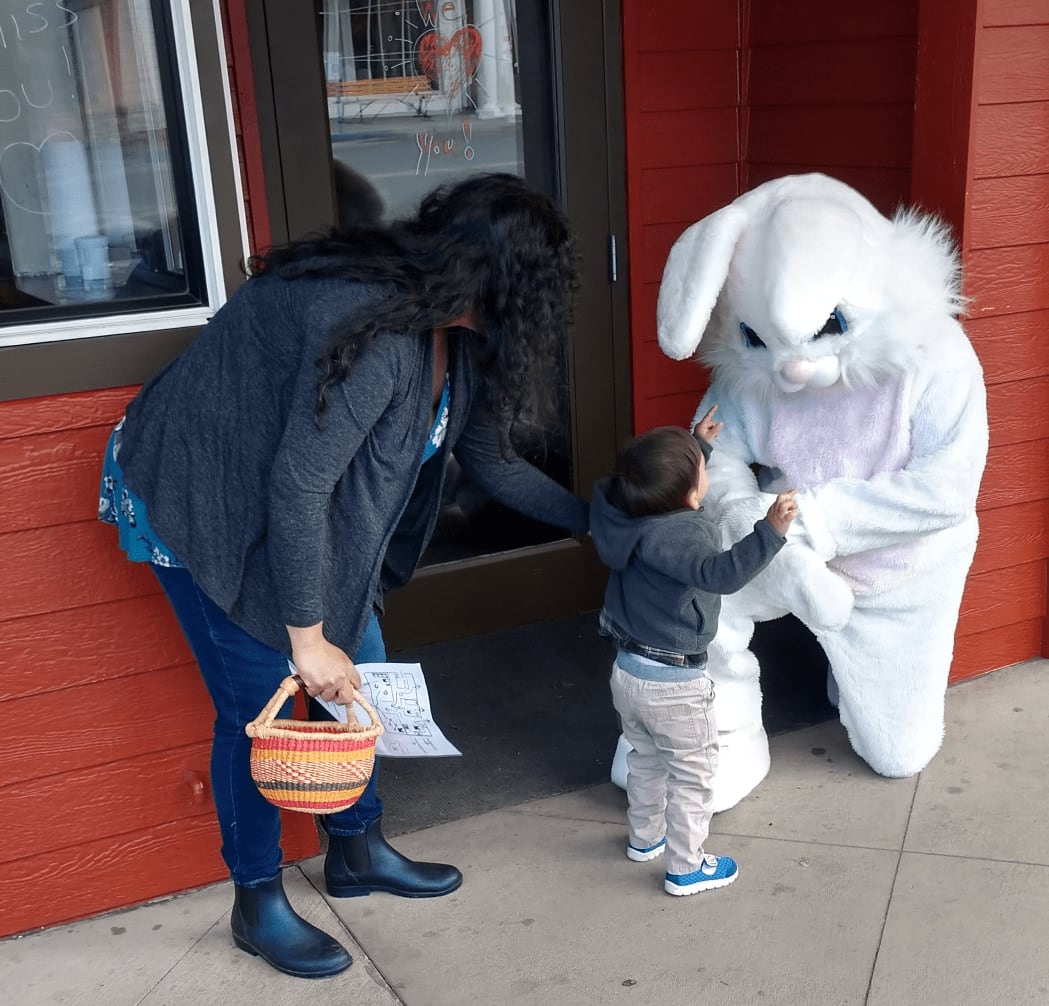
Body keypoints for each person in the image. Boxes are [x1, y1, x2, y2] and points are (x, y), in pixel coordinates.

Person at [97, 172, 588, 978]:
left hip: (287, 502)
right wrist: (304, 638)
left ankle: (356, 852)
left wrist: (600, 523)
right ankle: (256, 902)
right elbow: (296, 486)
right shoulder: (373, 331)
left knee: (357, 666)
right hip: (202, 498)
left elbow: (489, 459)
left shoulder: (454, 335)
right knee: (263, 704)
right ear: (499, 281)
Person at [589, 407, 796, 896]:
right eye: (702, 469)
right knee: (693, 776)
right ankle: (686, 866)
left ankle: (645, 838)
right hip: (674, 685)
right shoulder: (685, 532)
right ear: (688, 494)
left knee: (645, 758)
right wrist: (770, 531)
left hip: (628, 671)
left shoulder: (623, 512)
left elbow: (663, 483)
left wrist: (695, 444)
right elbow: (721, 574)